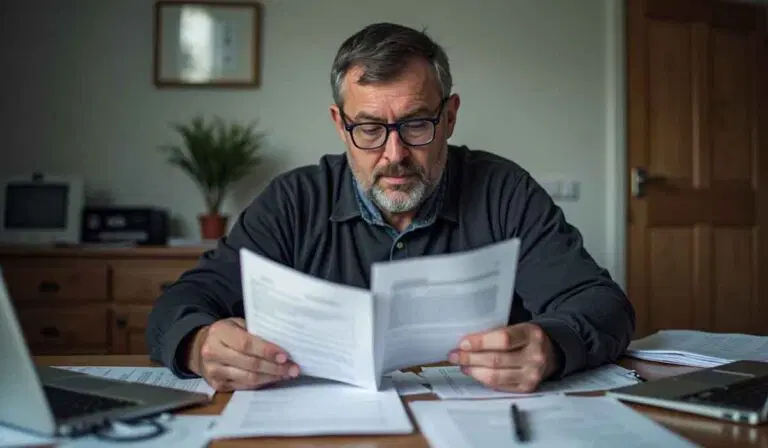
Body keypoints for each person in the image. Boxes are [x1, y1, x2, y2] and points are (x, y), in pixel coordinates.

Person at [146, 22, 635, 393]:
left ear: (450, 117)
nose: (395, 154)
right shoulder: (293, 201)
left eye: (417, 124)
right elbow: (180, 303)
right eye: (370, 128)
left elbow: (603, 304)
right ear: (341, 125)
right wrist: (198, 344)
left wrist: (550, 347)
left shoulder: (503, 191)